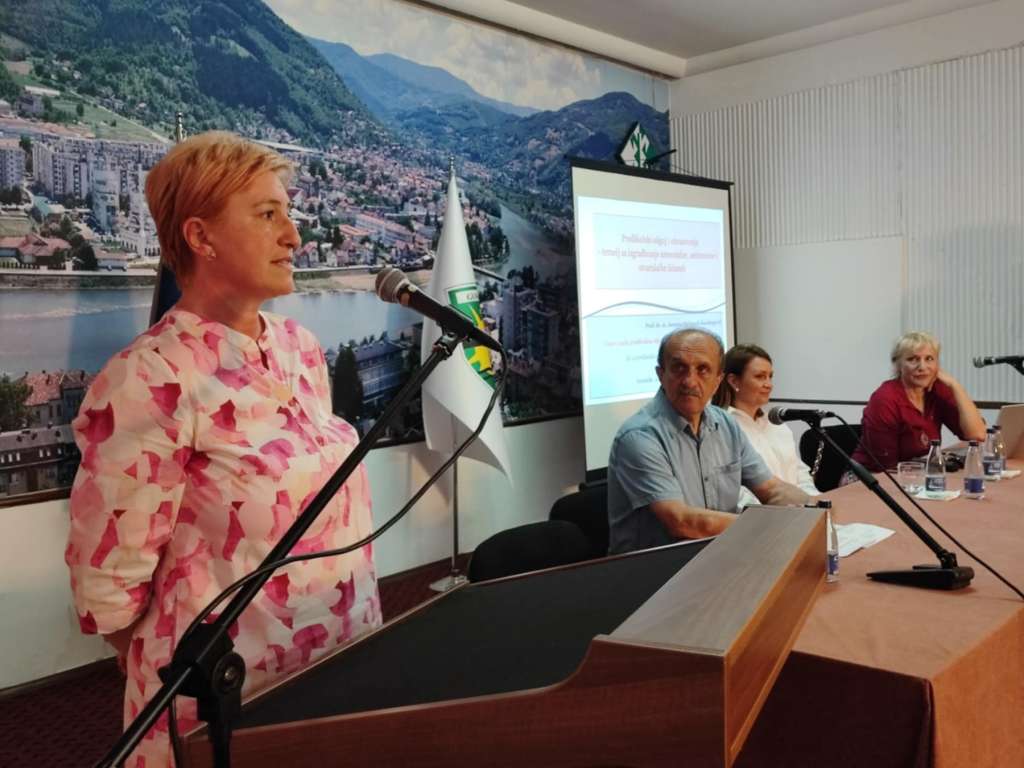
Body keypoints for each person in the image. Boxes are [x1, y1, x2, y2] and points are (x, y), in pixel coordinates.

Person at [64, 132, 381, 767]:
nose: (293, 235)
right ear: (200, 237)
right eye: (267, 215)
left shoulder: (299, 348)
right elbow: (110, 591)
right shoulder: (147, 379)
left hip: (340, 664)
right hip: (229, 706)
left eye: (288, 213)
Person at [607, 328, 812, 555]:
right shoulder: (639, 436)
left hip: (718, 555)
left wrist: (814, 509)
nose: (689, 381)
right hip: (655, 569)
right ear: (660, 374)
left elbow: (772, 489)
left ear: (717, 381)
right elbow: (681, 521)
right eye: (679, 368)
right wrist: (766, 526)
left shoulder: (726, 424)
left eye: (702, 370)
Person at [851, 330, 986, 470]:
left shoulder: (937, 390)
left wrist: (955, 385)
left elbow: (977, 435)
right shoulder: (885, 399)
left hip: (915, 473)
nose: (922, 367)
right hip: (870, 477)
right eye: (912, 359)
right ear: (898, 364)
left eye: (929, 359)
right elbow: (884, 467)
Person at [713, 344, 818, 506]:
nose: (768, 384)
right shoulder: (720, 428)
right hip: (761, 516)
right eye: (760, 377)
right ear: (734, 381)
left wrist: (813, 500)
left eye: (770, 376)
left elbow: (798, 471)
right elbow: (733, 490)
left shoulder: (777, 425)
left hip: (799, 512)